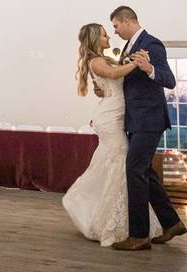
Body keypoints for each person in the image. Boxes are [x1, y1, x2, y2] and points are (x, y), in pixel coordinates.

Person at [62, 23, 157, 246]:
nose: (109, 37)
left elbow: (109, 83)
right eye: (105, 34)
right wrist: (136, 62)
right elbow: (114, 74)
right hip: (110, 120)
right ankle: (113, 221)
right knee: (121, 165)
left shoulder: (102, 59)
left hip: (114, 115)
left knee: (117, 165)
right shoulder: (96, 60)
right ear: (96, 38)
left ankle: (123, 220)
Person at [109, 6, 186, 251]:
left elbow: (170, 80)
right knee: (144, 172)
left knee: (133, 169)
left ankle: (139, 235)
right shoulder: (128, 47)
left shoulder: (152, 44)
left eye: (116, 26)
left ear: (126, 20)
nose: (115, 31)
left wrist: (150, 69)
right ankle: (172, 223)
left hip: (149, 119)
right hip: (136, 120)